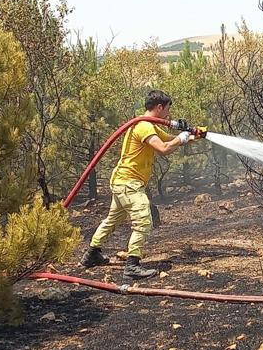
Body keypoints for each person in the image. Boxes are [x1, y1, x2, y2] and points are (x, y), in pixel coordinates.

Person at [80, 90, 193, 278]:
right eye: (167, 109)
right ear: (159, 107)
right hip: (129, 184)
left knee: (112, 220)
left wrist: (191, 135)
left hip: (123, 182)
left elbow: (168, 140)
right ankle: (132, 265)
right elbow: (164, 148)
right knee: (143, 220)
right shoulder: (144, 127)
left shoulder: (149, 126)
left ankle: (91, 255)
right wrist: (180, 138)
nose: (168, 114)